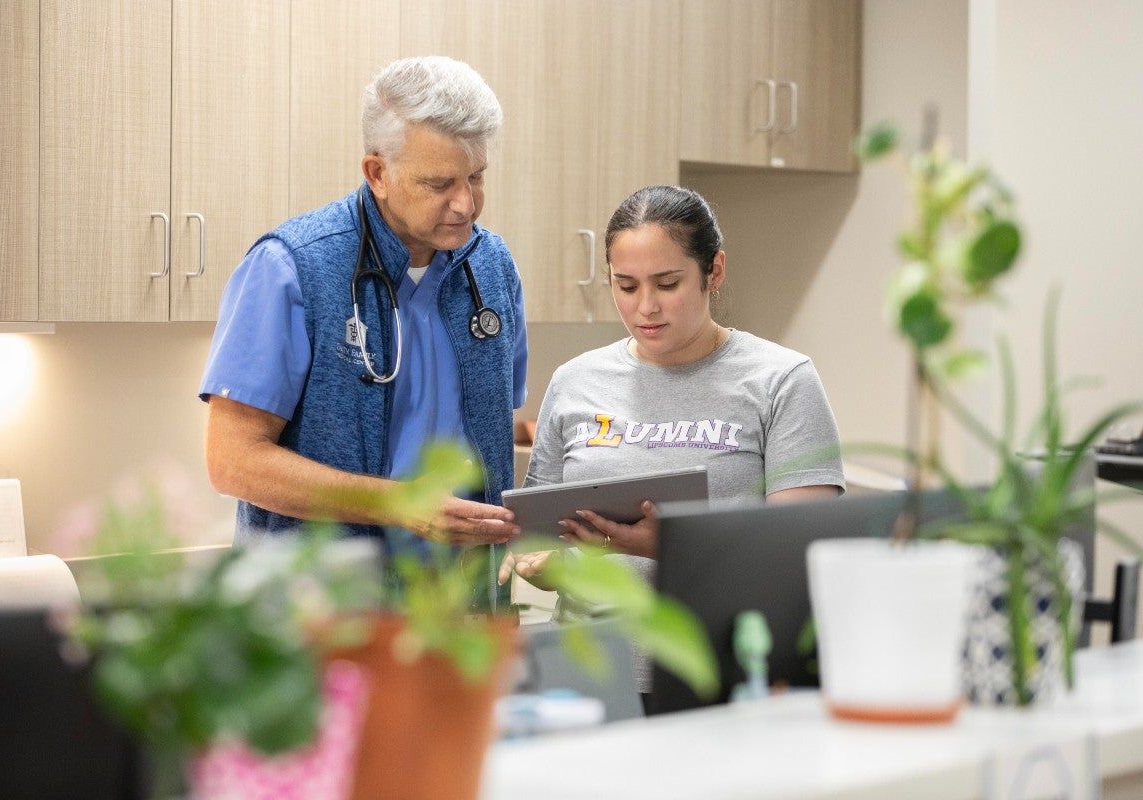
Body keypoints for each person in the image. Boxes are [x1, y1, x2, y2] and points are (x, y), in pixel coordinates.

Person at [500, 185, 845, 699]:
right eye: (626, 285)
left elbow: (799, 555)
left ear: (715, 271)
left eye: (667, 283)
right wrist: (546, 566)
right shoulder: (575, 382)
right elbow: (542, 530)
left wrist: (674, 547)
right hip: (589, 673)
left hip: (721, 674)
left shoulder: (781, 380)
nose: (646, 307)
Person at [199, 56, 527, 593]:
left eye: (476, 176)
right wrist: (397, 505)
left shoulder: (492, 268)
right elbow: (233, 461)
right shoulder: (292, 266)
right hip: (323, 611)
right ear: (377, 173)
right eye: (440, 183)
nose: (466, 203)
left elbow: (495, 429)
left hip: (462, 611)